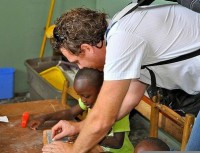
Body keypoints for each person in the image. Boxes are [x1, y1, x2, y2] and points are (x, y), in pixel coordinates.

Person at [42, 2, 200, 153]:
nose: (81, 68)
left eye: (77, 61)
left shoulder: (122, 39)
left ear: (86, 48)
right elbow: (130, 98)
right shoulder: (119, 31)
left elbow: (103, 118)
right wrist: (80, 127)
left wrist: (74, 150)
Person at [30, 68, 134, 153]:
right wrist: (44, 117)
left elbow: (117, 143)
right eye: (80, 96)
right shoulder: (89, 101)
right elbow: (70, 112)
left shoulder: (118, 108)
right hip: (99, 147)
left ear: (101, 90)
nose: (83, 100)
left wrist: (85, 136)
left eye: (86, 96)